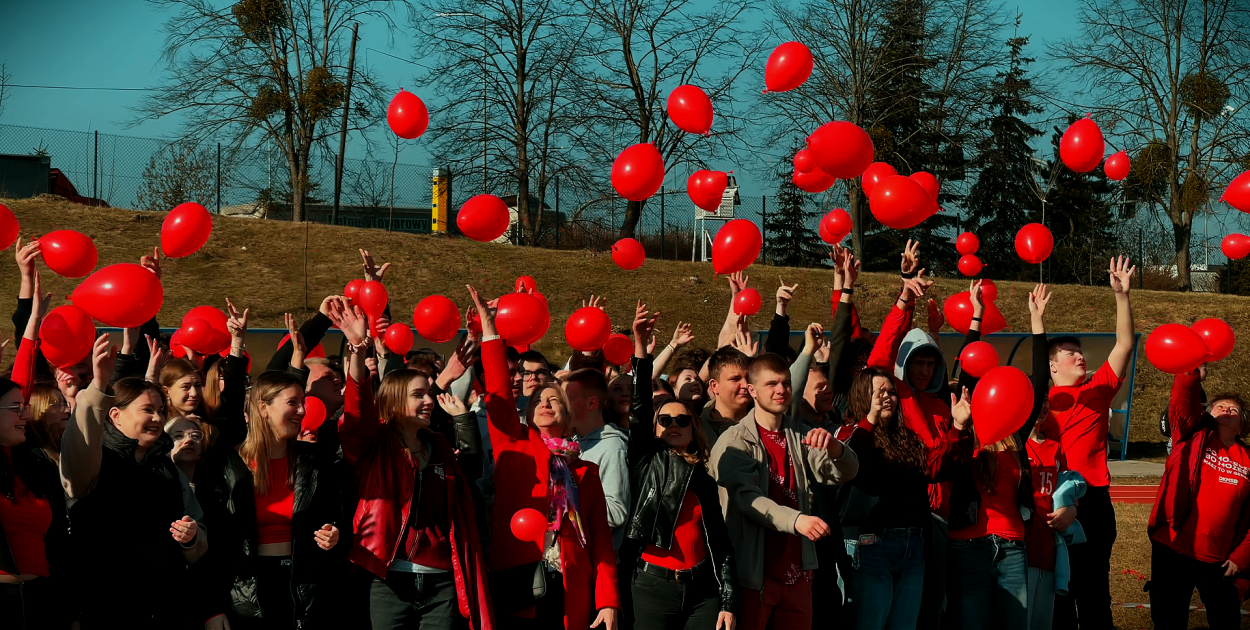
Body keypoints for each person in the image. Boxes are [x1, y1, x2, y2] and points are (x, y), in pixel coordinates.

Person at [331, 302, 494, 630]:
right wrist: (359, 350)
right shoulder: (373, 446)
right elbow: (358, 410)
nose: (429, 400)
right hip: (388, 581)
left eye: (428, 394)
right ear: (393, 402)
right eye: (418, 395)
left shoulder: (441, 449)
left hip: (443, 583)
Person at [470, 285, 620, 630]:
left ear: (567, 415)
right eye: (538, 400)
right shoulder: (514, 444)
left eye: (554, 399)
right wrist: (491, 333)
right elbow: (497, 392)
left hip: (570, 588)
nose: (545, 403)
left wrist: (609, 601)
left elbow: (600, 541)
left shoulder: (585, 471)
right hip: (519, 583)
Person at [193, 301, 348, 629]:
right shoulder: (227, 464)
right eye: (293, 404)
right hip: (245, 594)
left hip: (305, 593)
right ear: (261, 409)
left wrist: (335, 535)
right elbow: (214, 545)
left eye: (303, 403)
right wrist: (212, 606)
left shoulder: (314, 464)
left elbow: (339, 518)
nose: (303, 411)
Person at [60, 334, 208, 629]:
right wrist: (98, 385)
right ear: (115, 415)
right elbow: (79, 446)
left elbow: (199, 534)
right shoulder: (96, 461)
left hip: (164, 609)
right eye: (147, 410)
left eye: (161, 411)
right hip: (106, 609)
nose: (157, 418)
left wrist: (192, 537)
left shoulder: (167, 468)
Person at [709, 346, 859, 630]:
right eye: (771, 384)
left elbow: (844, 473)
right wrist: (796, 520)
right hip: (753, 575)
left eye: (786, 383)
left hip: (798, 575)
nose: (781, 390)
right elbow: (747, 499)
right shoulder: (733, 441)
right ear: (752, 391)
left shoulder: (799, 433)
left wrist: (837, 448)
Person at [622, 301, 738, 630]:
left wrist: (728, 600)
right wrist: (641, 350)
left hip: (703, 592)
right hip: (652, 588)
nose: (674, 423)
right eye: (665, 419)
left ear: (693, 429)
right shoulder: (645, 461)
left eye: (682, 420)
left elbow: (721, 544)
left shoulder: (703, 477)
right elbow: (640, 408)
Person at [944, 283, 1052, 629]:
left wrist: (1037, 322)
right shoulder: (962, 432)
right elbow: (964, 369)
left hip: (1012, 548)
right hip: (968, 547)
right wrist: (976, 316)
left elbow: (1038, 384)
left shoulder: (1014, 435)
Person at [834, 366, 971, 629]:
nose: (887, 397)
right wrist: (871, 418)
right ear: (863, 395)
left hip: (913, 544)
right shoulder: (850, 432)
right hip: (872, 545)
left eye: (891, 392)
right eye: (879, 392)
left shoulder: (907, 437)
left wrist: (958, 428)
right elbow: (851, 464)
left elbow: (936, 467)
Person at [865, 241, 956, 629]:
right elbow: (881, 356)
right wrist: (905, 296)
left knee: (933, 607)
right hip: (907, 518)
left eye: (929, 362)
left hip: (941, 516)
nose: (922, 369)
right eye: (916, 361)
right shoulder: (897, 394)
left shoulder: (941, 404)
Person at [1049, 256, 1136, 630]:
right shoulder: (1035, 400)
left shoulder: (1096, 390)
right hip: (1050, 501)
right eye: (1071, 353)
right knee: (1057, 596)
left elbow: (1125, 344)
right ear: (1053, 366)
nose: (1080, 356)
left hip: (1094, 502)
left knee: (1094, 593)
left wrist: (1121, 296)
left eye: (1080, 351)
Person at [1147, 367, 1250, 630]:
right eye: (1220, 406)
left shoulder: (1248, 458)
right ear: (1207, 412)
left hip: (1219, 559)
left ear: (1243, 425)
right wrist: (1189, 373)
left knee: (1227, 621)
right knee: (1169, 621)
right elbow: (1183, 401)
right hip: (1173, 548)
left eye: (1234, 410)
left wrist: (1242, 557)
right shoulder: (1191, 436)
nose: (1227, 410)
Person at [0, 376, 72, 629]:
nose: (25, 416)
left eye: (26, 408)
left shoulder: (36, 465)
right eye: (15, 409)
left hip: (44, 600)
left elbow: (58, 543)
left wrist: (71, 612)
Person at [1024, 414, 1086, 630]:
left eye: (1046, 399)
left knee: (1043, 622)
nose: (1043, 405)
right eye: (1038, 399)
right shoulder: (1014, 445)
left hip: (1049, 546)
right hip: (1022, 550)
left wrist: (1072, 509)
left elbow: (1067, 489)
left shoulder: (1055, 447)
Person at [566, 367, 631, 550]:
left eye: (569, 398)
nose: (562, 406)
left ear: (592, 403)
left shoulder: (612, 447)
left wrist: (566, 503)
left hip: (602, 562)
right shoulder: (573, 443)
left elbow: (617, 513)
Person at [702, 347, 753, 440]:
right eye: (735, 379)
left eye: (748, 378)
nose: (745, 385)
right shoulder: (695, 430)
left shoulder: (767, 424)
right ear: (714, 385)